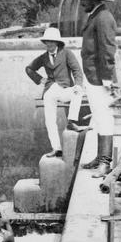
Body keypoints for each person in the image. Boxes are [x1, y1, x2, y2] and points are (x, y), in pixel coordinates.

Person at [64, 0, 117, 178]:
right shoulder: (95, 15)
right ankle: (99, 156)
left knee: (105, 118)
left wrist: (107, 79)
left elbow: (108, 50)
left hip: (100, 78)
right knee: (98, 117)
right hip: (93, 76)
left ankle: (105, 162)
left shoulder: (103, 18)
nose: (80, 2)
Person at [25, 27, 86, 158]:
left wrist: (78, 85)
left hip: (65, 89)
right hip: (51, 89)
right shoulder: (43, 57)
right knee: (50, 119)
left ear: (57, 42)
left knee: (78, 92)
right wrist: (40, 80)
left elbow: (77, 71)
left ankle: (71, 122)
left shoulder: (67, 53)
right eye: (47, 42)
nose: (49, 44)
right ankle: (56, 148)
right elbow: (29, 69)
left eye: (52, 42)